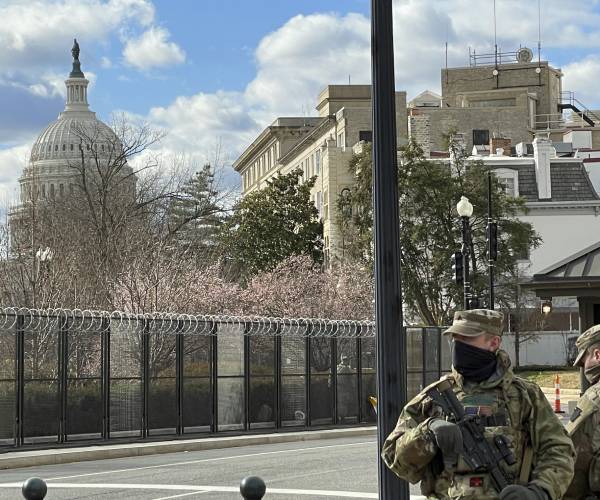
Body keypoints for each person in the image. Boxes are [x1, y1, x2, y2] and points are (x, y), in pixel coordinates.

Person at [382, 309, 575, 499]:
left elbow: (559, 450)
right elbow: (393, 459)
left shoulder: (524, 395)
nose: (458, 346)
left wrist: (540, 491)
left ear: (494, 342)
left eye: (466, 338)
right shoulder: (434, 397)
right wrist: (427, 432)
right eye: (455, 339)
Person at [564, 324, 600, 499]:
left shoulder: (595, 397)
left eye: (584, 360)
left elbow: (572, 451)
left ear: (597, 355)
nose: (584, 367)